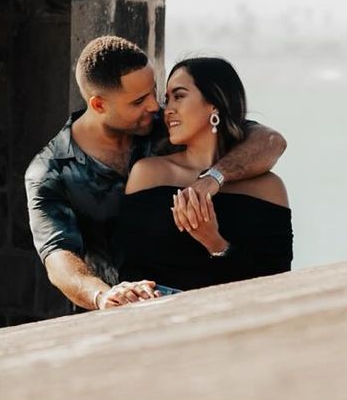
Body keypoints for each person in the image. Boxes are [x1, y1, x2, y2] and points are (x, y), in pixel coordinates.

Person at [25, 36, 287, 311]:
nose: (154, 106)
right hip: (117, 313)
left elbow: (269, 141)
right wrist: (103, 296)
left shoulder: (165, 123)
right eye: (139, 100)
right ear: (99, 105)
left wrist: (214, 177)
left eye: (154, 92)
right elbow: (59, 259)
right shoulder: (48, 172)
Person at [117, 56, 292, 291]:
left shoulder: (268, 188)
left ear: (214, 104)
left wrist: (214, 242)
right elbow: (131, 268)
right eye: (167, 100)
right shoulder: (149, 173)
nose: (167, 110)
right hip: (157, 318)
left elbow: (276, 281)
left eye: (179, 96)